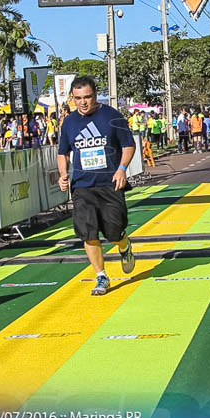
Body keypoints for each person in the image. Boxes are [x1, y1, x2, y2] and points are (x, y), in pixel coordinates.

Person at [57, 75, 136, 296]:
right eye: (78, 98)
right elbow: (62, 152)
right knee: (88, 233)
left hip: (109, 183)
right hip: (82, 187)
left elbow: (129, 145)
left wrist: (122, 168)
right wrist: (63, 174)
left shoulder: (111, 116)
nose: (83, 102)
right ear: (73, 98)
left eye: (87, 97)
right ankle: (101, 276)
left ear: (95, 95)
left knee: (113, 232)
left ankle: (123, 245)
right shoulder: (69, 122)